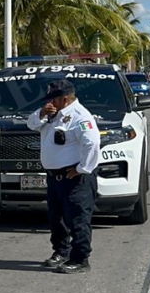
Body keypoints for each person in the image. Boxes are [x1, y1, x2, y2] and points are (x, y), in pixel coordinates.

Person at [26, 79, 101, 274]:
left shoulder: (80, 116)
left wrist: (83, 168)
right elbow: (31, 124)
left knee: (78, 219)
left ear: (65, 99)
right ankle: (61, 252)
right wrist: (43, 113)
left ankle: (80, 258)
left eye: (53, 99)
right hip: (54, 177)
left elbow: (91, 143)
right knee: (56, 219)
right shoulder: (52, 114)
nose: (49, 103)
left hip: (74, 178)